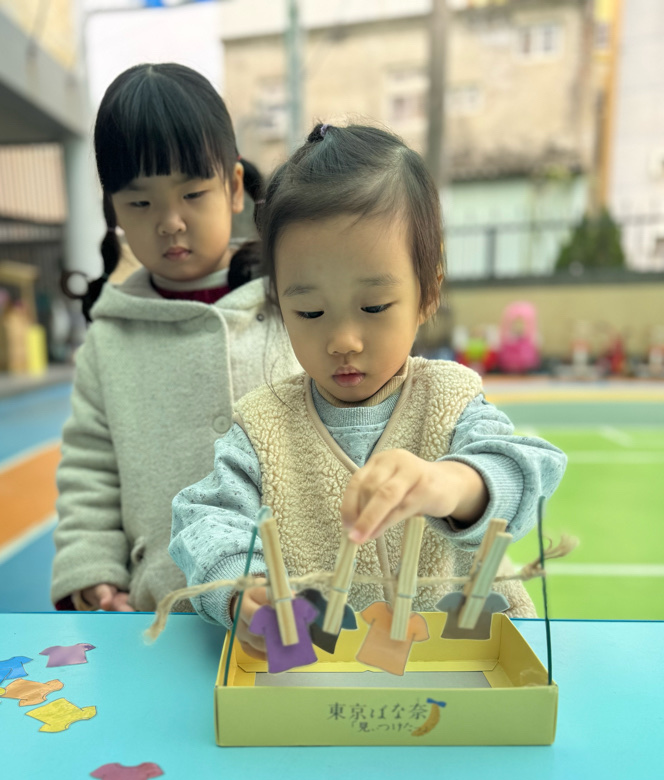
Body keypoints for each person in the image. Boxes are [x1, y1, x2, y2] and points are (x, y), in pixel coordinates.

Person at [169, 123, 567, 657]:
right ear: (280, 304)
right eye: (310, 311)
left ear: (428, 292)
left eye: (374, 306)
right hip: (318, 678)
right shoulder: (263, 425)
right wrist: (244, 590)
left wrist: (448, 483)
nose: (343, 341)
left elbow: (526, 470)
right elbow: (204, 519)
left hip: (460, 672)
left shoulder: (450, 399)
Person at [51, 64, 297, 612]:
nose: (169, 222)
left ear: (234, 188)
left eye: (192, 193)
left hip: (294, 601)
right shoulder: (110, 340)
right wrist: (92, 570)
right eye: (140, 203)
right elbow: (90, 469)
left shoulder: (294, 305)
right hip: (166, 604)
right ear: (113, 209)